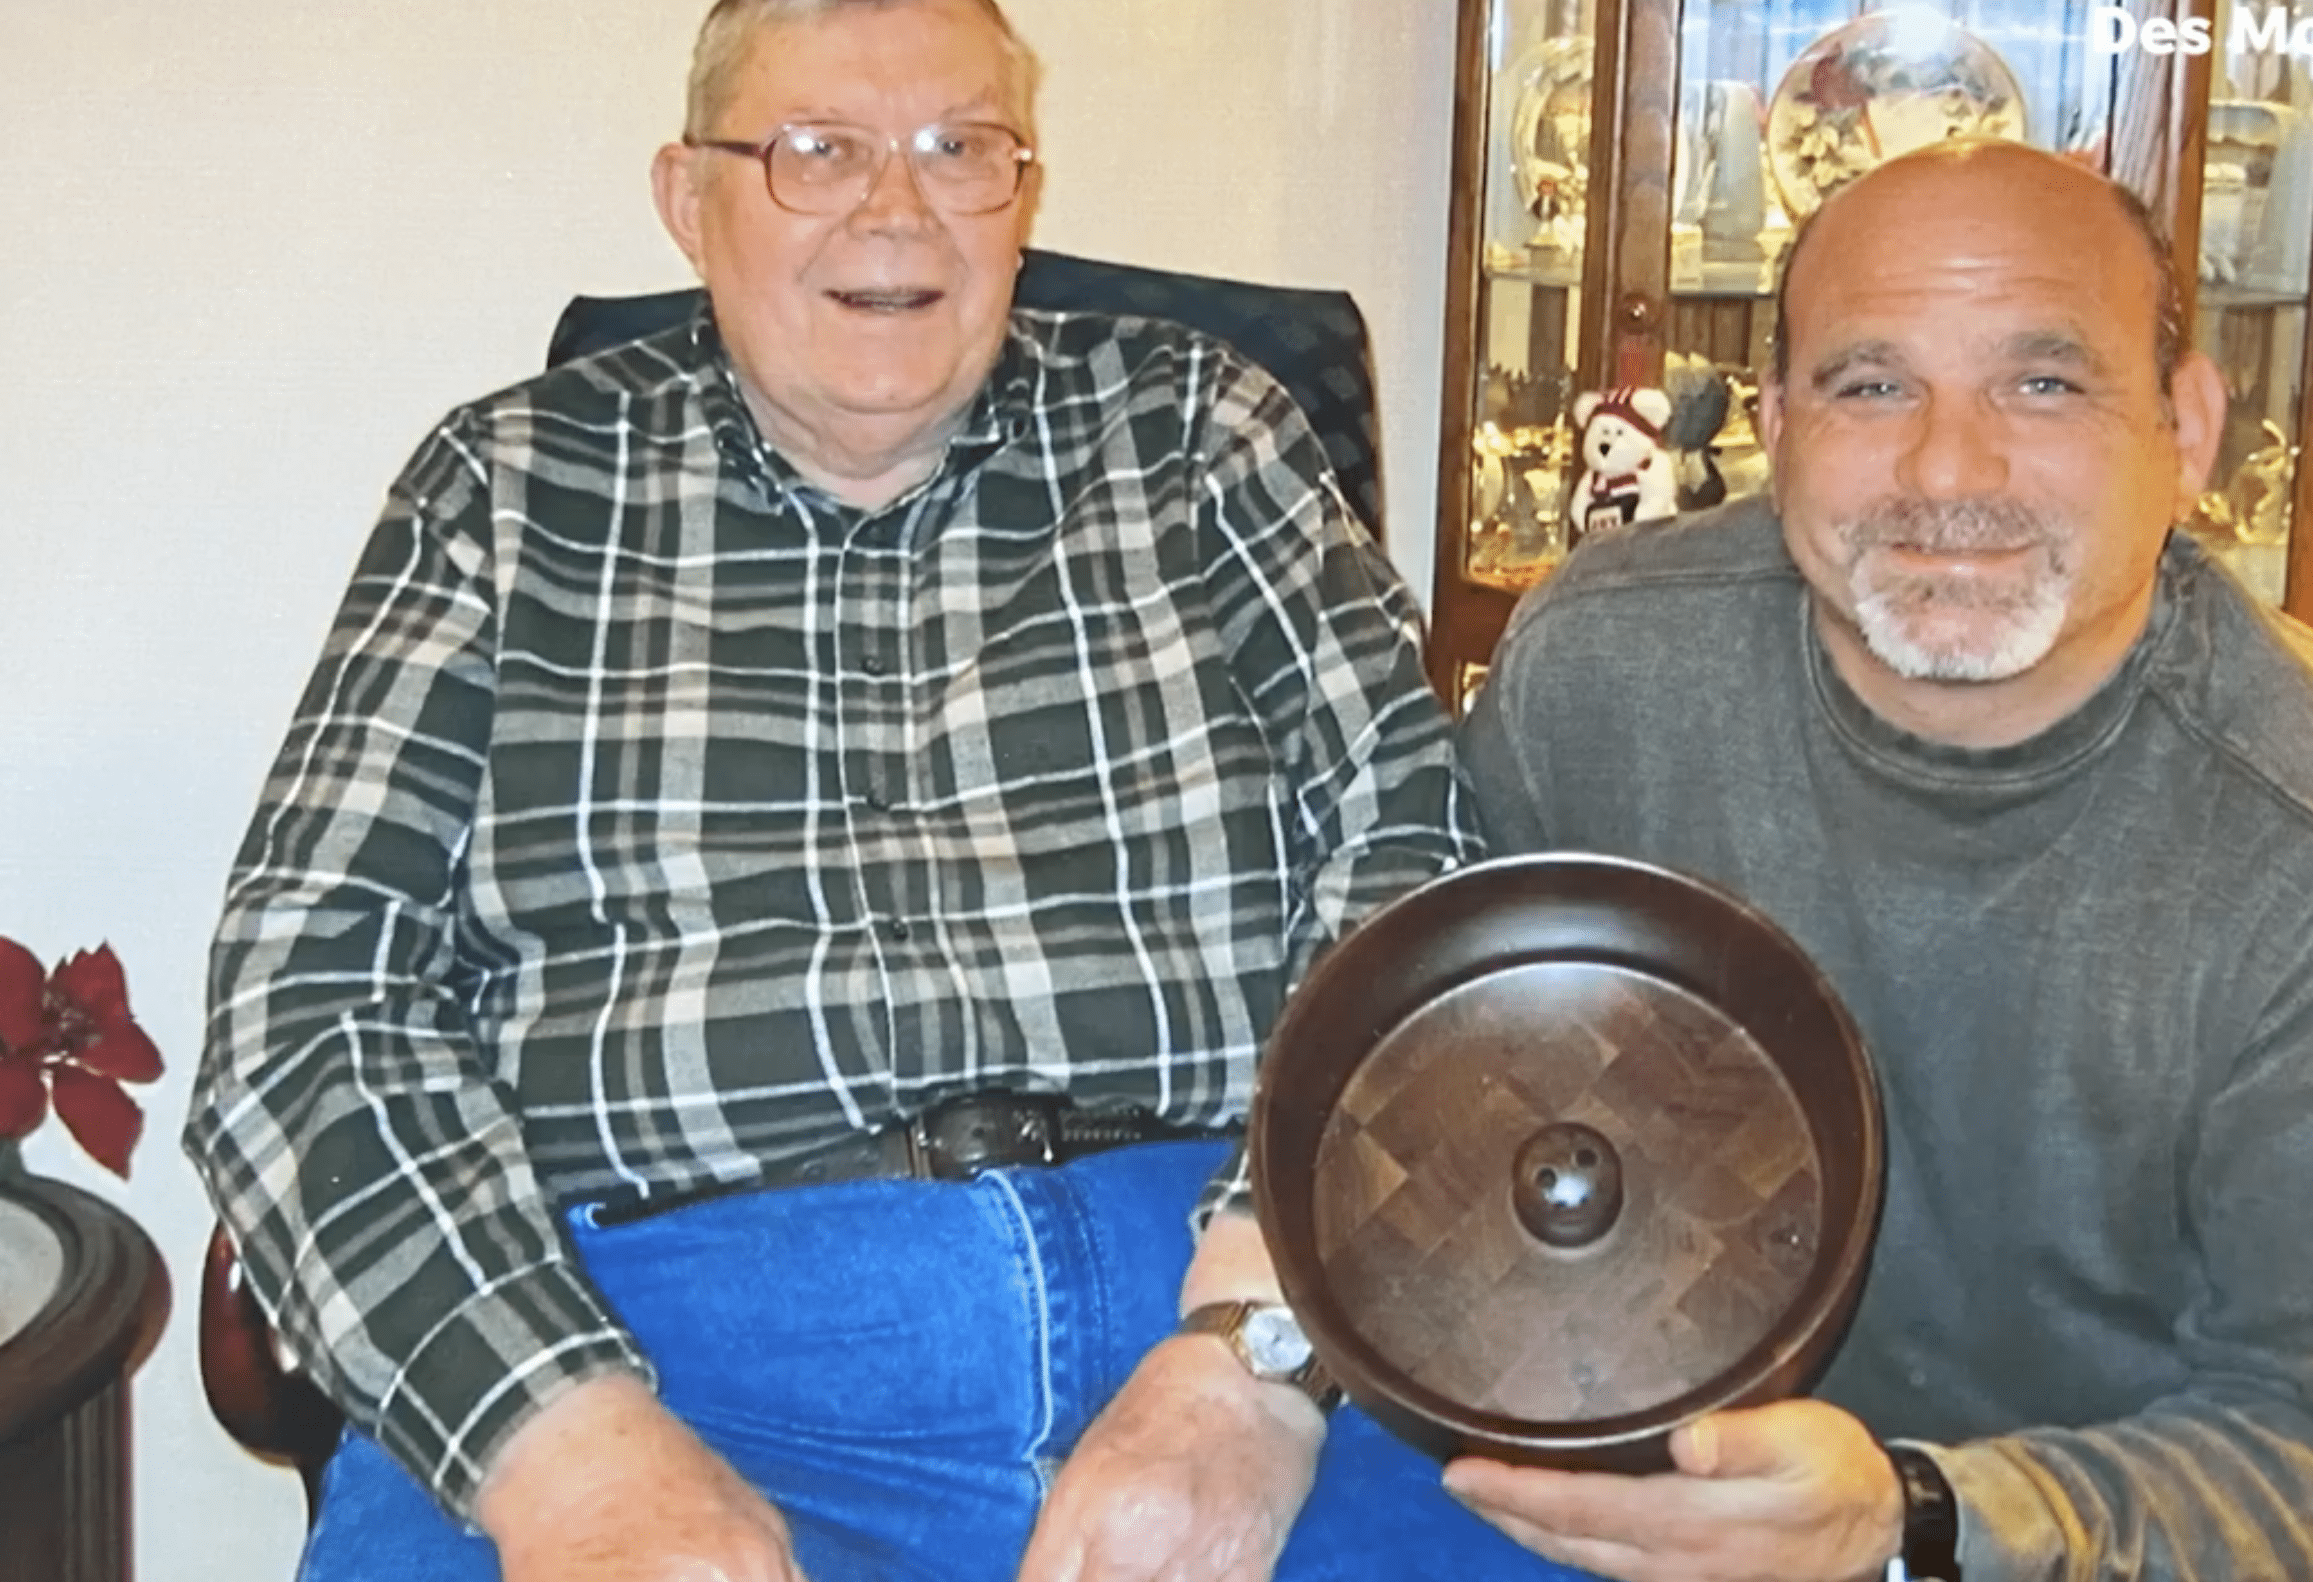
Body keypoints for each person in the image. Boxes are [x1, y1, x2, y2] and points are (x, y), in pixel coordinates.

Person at [184, 3, 1593, 1579]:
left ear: (1022, 189)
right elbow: (306, 994)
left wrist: (1263, 1342)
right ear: (685, 197)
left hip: (1233, 1280)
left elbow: (1415, 859)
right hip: (667, 1340)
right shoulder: (505, 493)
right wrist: (559, 1442)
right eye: (816, 150)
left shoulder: (1202, 430)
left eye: (958, 148)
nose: (897, 207)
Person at [1445, 140, 2313, 1582]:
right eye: (1870, 384)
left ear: (2185, 428)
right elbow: (1468, 1103)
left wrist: (1914, 1517)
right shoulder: (1600, 668)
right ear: (1773, 422)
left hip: (2245, 1496)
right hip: (1748, 1467)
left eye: (2041, 384)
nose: (1946, 467)